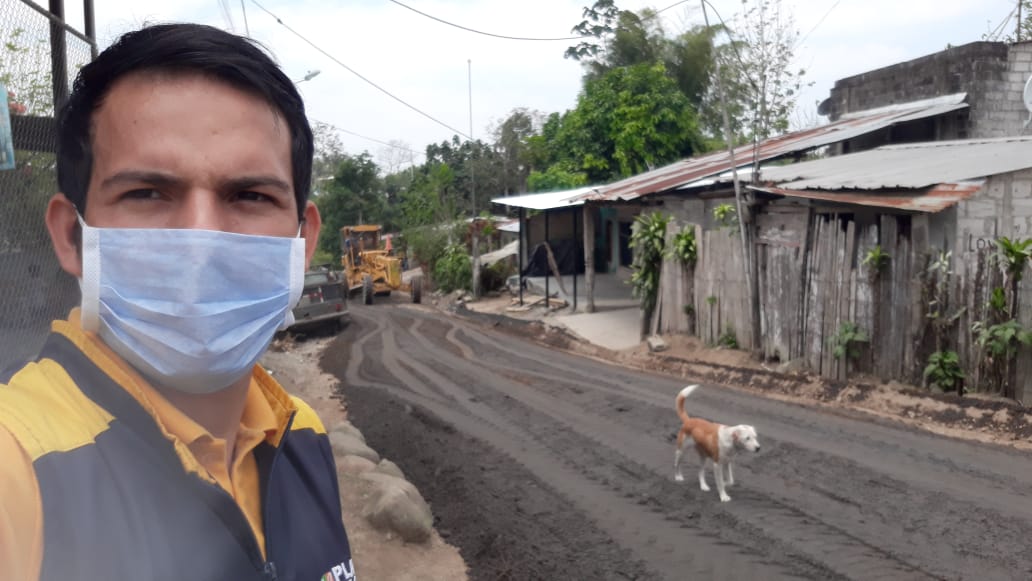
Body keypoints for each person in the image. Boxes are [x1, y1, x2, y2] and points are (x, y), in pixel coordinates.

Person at [0, 23, 355, 581]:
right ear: (71, 236)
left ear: (303, 242)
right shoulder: (17, 463)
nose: (200, 242)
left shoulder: (301, 433)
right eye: (146, 193)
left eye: (249, 195)